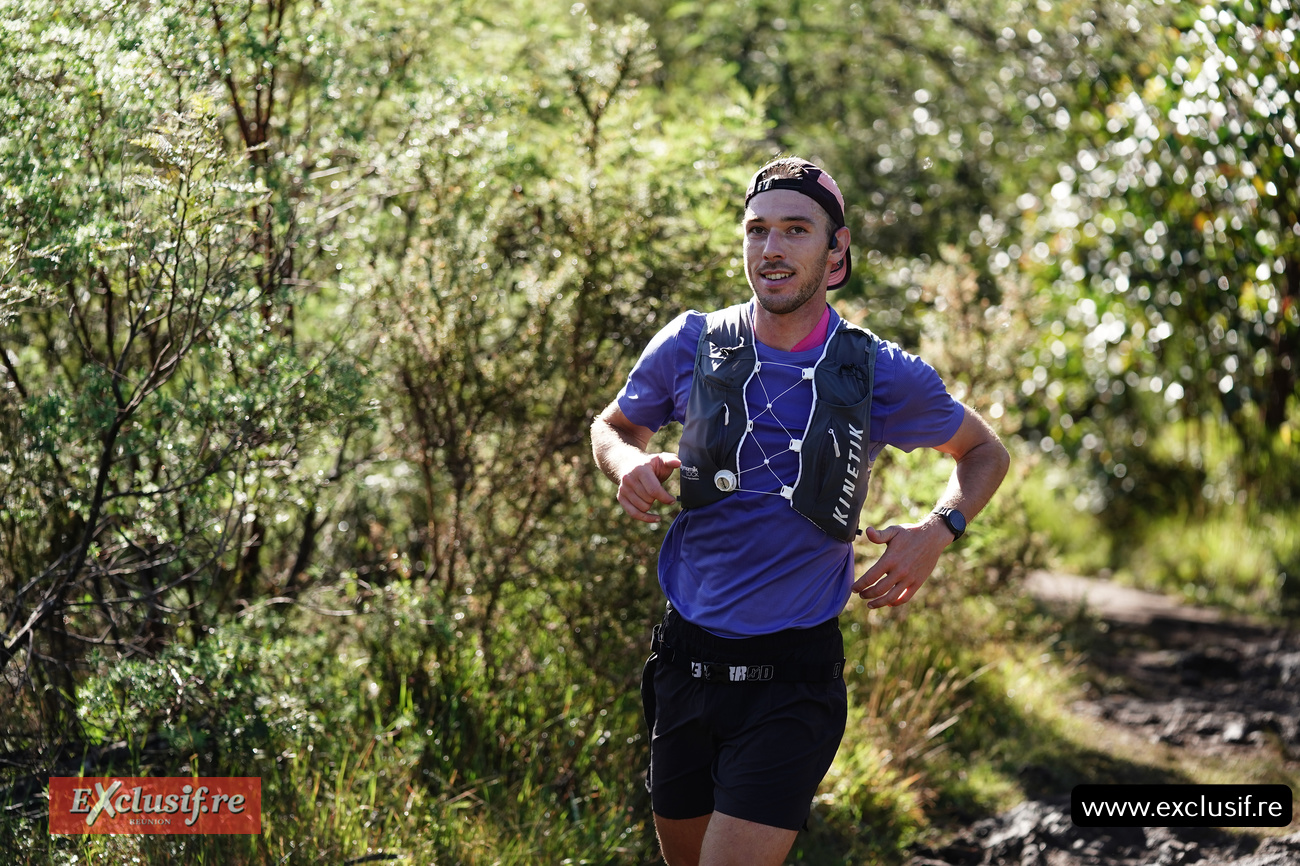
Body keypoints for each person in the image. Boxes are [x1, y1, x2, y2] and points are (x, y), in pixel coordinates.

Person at [590, 157, 1010, 866]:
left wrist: (937, 533)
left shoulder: (878, 371)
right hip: (685, 662)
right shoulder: (692, 343)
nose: (772, 249)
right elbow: (614, 425)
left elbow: (983, 452)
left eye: (795, 231)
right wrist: (628, 464)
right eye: (758, 231)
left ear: (836, 251)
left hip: (793, 679)